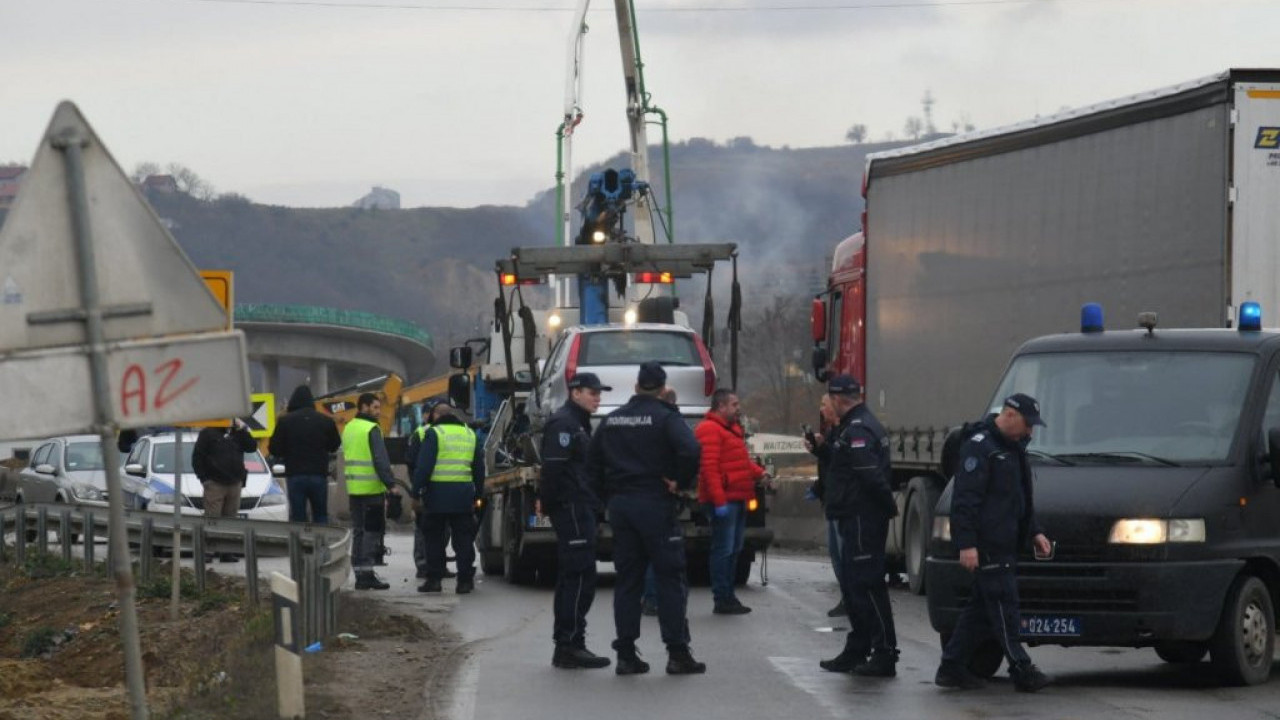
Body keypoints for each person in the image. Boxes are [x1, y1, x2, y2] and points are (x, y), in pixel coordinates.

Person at [588, 361, 706, 675]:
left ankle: (626, 654)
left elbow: (592, 463)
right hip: (655, 503)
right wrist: (680, 482)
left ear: (637, 386)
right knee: (669, 577)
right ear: (663, 388)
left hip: (621, 506)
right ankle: (677, 652)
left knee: (628, 581)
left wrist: (606, 497)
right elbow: (692, 450)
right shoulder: (666, 418)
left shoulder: (612, 421)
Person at [935, 393, 1053, 692]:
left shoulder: (1012, 448)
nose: (1030, 432)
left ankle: (951, 667)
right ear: (1010, 415)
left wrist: (1035, 531)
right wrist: (967, 544)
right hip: (988, 544)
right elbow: (965, 501)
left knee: (979, 612)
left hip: (1005, 541)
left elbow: (1018, 498)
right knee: (1004, 607)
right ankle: (1022, 669)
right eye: (1028, 424)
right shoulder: (980, 447)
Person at [819, 374, 900, 677]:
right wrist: (821, 451)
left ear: (840, 399)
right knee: (855, 587)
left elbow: (869, 474)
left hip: (862, 517)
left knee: (867, 586)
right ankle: (859, 648)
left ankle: (884, 652)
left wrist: (887, 506)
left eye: (830, 400)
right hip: (854, 515)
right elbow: (847, 467)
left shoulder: (858, 429)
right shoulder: (853, 426)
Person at [540, 372, 613, 669]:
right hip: (570, 506)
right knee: (580, 576)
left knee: (576, 575)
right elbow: (554, 469)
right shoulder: (564, 424)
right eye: (592, 392)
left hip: (580, 506)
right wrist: (552, 504)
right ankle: (569, 644)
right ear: (575, 393)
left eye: (599, 392)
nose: (598, 397)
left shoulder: (580, 424)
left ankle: (569, 643)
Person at [696, 388, 766, 615]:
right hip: (725, 499)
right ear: (721, 406)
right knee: (724, 549)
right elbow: (709, 469)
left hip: (737, 497)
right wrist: (718, 501)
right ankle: (722, 597)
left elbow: (741, 462)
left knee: (734, 549)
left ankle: (728, 595)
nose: (738, 409)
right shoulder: (710, 430)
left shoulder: (731, 430)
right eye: (734, 405)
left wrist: (760, 474)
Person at [411, 402, 484, 594]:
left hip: (436, 496)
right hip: (463, 496)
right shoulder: (469, 434)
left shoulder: (435, 433)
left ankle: (434, 580)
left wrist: (416, 492)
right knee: (464, 540)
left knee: (433, 539)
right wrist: (478, 494)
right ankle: (465, 582)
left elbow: (424, 467)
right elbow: (478, 467)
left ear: (436, 416)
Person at [342, 392, 400, 591]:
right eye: (375, 407)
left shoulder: (349, 427)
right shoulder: (371, 429)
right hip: (371, 490)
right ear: (364, 407)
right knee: (372, 531)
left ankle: (359, 572)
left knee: (358, 531)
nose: (378, 411)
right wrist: (391, 484)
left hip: (354, 489)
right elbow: (380, 460)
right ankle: (367, 574)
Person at [269, 385, 341, 524]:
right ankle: (321, 544)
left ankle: (300, 544)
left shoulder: (285, 421)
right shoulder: (325, 421)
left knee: (298, 518)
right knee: (320, 515)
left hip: (295, 475)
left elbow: (274, 448)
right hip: (318, 475)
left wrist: (287, 451)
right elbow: (335, 445)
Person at [192, 419, 257, 562]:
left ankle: (226, 552)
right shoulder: (208, 433)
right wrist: (204, 479)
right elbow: (197, 458)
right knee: (212, 518)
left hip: (234, 482)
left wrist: (243, 430)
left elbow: (252, 447)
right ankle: (208, 551)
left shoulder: (237, 433)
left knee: (230, 519)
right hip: (215, 483)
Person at [805, 394, 845, 617]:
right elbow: (829, 467)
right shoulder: (831, 433)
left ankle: (851, 599)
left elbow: (839, 464)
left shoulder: (844, 432)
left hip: (841, 502)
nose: (821, 409)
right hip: (831, 500)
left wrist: (821, 449)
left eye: (824, 404)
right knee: (835, 554)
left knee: (843, 553)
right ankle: (846, 597)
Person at [642, 387, 680, 618]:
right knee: (661, 553)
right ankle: (655, 598)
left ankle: (649, 597)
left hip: (640, 494)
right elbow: (689, 452)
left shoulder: (646, 421)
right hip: (662, 495)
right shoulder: (672, 422)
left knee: (646, 554)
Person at [407, 398, 456, 581]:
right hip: (427, 489)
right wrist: (418, 490)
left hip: (440, 489)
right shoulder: (420, 433)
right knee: (423, 529)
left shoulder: (444, 432)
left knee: (443, 531)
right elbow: (413, 463)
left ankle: (438, 565)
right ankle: (423, 565)